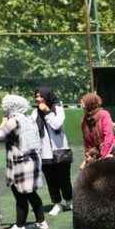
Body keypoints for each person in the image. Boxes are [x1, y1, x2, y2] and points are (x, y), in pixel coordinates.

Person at [0, 94, 47, 229]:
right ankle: (41, 221)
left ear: (9, 107)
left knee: (20, 196)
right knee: (31, 193)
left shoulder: (13, 120)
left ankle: (19, 226)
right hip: (32, 161)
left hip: (20, 164)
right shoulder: (29, 118)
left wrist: (2, 123)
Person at [32, 87, 73, 216]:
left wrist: (48, 112)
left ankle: (69, 200)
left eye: (41, 96)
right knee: (51, 180)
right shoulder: (34, 113)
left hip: (60, 151)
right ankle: (57, 203)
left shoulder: (58, 109)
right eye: (36, 96)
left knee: (64, 179)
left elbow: (56, 125)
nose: (38, 99)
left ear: (47, 96)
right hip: (44, 153)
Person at [80, 92, 115, 168]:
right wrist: (88, 156)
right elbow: (87, 142)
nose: (82, 106)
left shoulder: (104, 115)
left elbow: (109, 136)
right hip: (95, 152)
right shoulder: (84, 120)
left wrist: (103, 156)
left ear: (90, 103)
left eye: (83, 103)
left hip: (110, 150)